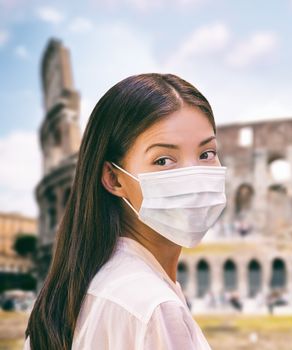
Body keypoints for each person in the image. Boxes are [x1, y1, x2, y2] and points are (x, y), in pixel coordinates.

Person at [24, 73, 225, 349]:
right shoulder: (154, 307)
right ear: (114, 178)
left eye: (207, 154)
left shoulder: (71, 295)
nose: (194, 176)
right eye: (163, 160)